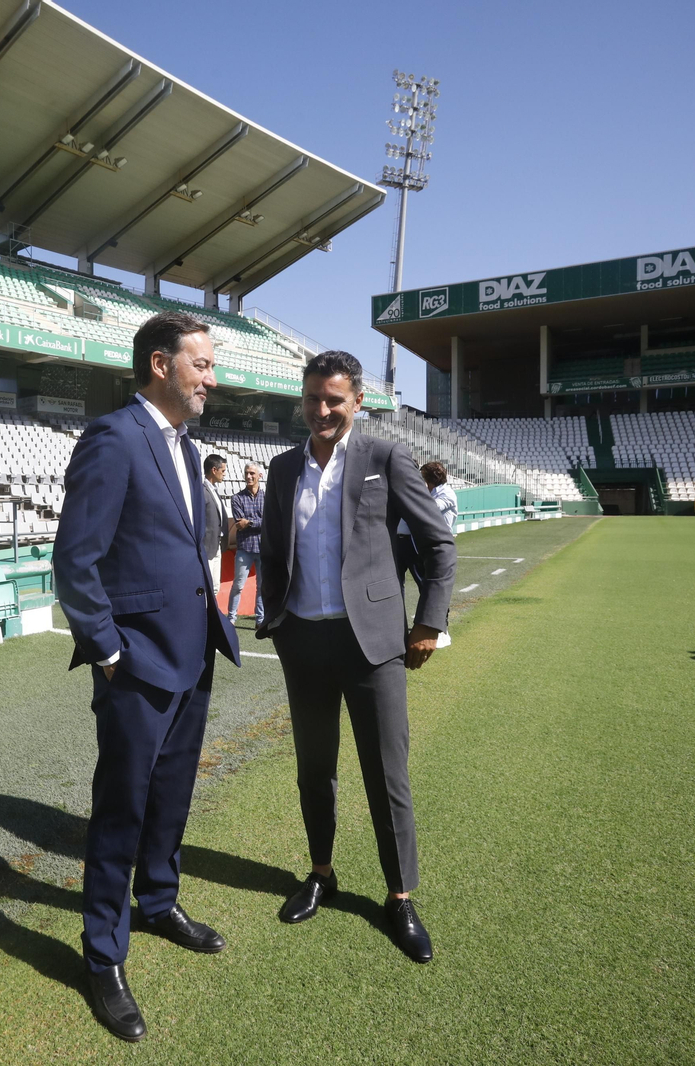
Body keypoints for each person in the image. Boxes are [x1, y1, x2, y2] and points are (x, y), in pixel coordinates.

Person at [52, 310, 241, 1042]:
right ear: (161, 365)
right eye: (202, 365)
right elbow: (76, 559)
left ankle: (158, 903)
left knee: (172, 796)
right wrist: (107, 650)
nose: (212, 379)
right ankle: (103, 954)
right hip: (135, 662)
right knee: (122, 809)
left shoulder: (183, 445)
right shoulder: (113, 437)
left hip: (192, 654)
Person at [256, 350, 456, 963]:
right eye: (313, 398)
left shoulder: (384, 457)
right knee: (314, 769)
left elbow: (438, 543)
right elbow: (273, 551)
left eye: (334, 400)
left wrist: (428, 622)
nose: (321, 410)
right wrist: (274, 616)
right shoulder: (283, 467)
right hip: (304, 642)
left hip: (373, 645)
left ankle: (399, 896)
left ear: (356, 402)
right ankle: (321, 872)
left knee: (385, 772)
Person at [228, 463, 265, 628]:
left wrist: (249, 522)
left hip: (264, 549)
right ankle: (231, 618)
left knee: (262, 587)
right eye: (246, 473)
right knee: (238, 585)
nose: (248, 476)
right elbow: (239, 523)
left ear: (259, 476)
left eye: (252, 473)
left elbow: (270, 523)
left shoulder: (268, 497)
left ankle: (260, 619)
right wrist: (259, 523)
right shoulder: (236, 498)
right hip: (245, 548)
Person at [202, 453, 230, 582]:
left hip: (216, 546)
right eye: (223, 470)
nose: (224, 474)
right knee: (208, 587)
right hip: (207, 548)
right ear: (214, 470)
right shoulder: (202, 491)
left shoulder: (213, 490)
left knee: (215, 587)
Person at [422, 461, 458, 534]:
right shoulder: (428, 491)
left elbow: (433, 508)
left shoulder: (447, 493)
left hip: (441, 539)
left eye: (422, 476)